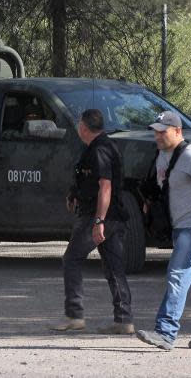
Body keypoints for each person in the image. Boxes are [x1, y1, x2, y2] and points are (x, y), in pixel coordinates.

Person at [136, 111, 191, 351]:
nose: (157, 135)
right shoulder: (162, 155)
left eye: (162, 132)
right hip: (179, 226)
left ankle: (165, 332)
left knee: (177, 274)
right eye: (155, 131)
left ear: (178, 131)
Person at [50, 109, 135, 335]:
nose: (78, 127)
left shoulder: (100, 150)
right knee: (114, 268)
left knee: (71, 259)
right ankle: (124, 320)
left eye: (79, 124)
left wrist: (99, 221)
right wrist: (74, 194)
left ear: (84, 127)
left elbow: (105, 187)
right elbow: (89, 182)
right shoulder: (99, 148)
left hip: (99, 217)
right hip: (112, 216)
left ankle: (74, 315)